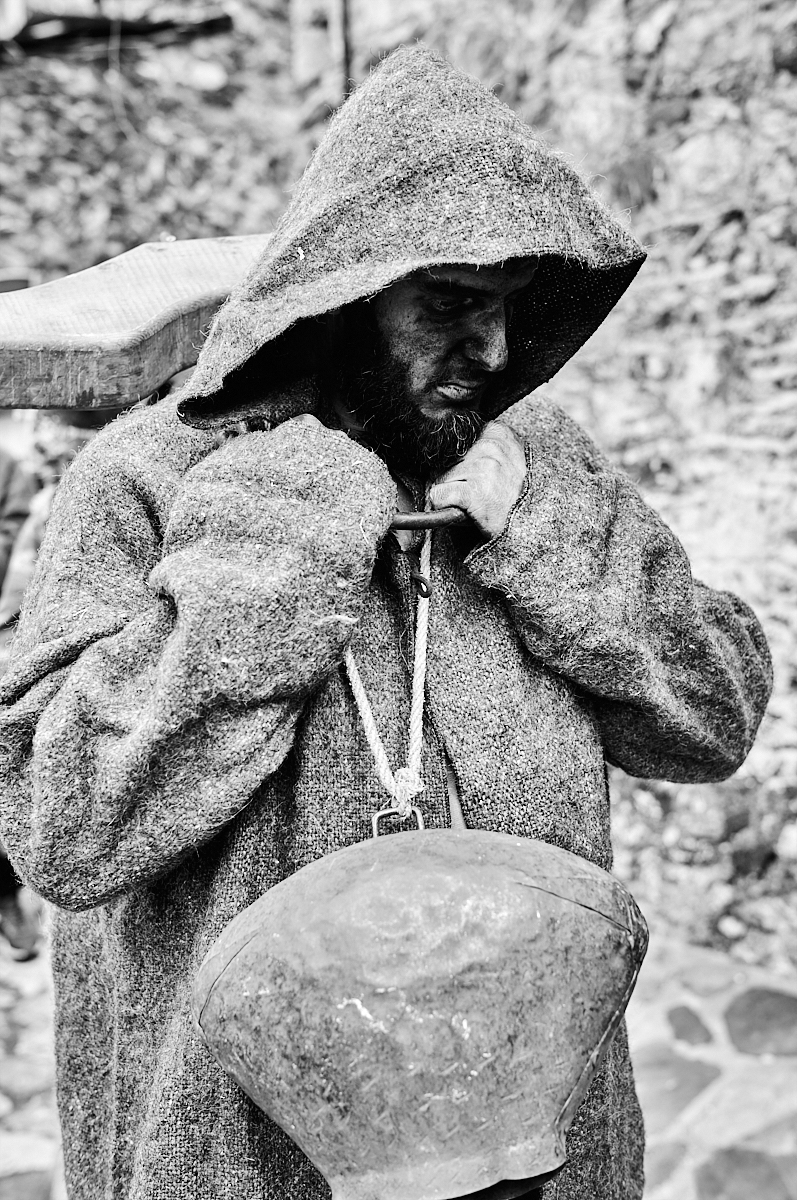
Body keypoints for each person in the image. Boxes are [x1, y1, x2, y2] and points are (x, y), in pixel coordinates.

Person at [0, 45, 771, 1200]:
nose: (491, 352)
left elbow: (710, 718)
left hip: (536, 1150)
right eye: (449, 305)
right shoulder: (150, 481)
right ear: (342, 297)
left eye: (506, 308)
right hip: (249, 1161)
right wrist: (276, 547)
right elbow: (63, 828)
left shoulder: (533, 462)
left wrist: (547, 532)